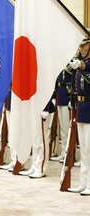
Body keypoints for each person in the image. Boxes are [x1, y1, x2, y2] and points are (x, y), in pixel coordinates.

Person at [68, 37, 90, 195]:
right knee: (83, 149)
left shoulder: (85, 64)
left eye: (84, 46)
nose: (81, 49)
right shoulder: (80, 63)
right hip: (82, 107)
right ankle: (83, 182)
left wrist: (81, 65)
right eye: (80, 46)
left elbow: (86, 66)